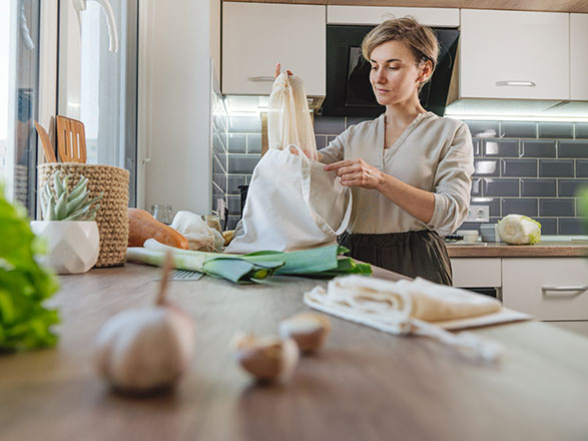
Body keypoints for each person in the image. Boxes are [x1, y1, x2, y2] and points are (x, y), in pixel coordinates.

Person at [279, 17, 474, 285]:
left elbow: (451, 214)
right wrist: (290, 99)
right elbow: (308, 163)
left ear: (424, 71)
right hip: (354, 256)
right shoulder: (355, 135)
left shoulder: (450, 133)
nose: (378, 77)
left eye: (393, 66)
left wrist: (380, 180)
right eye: (374, 66)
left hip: (418, 260)